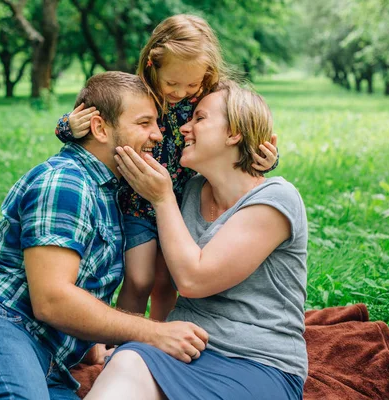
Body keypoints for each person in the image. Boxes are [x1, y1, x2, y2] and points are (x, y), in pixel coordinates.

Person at [0, 71, 209, 400]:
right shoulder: (65, 181)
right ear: (100, 128)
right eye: (144, 123)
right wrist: (155, 333)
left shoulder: (112, 194)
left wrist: (85, 343)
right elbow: (52, 300)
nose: (158, 136)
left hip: (48, 361)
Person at [86, 81, 308, 400]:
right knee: (126, 363)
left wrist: (162, 199)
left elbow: (193, 279)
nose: (185, 128)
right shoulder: (191, 191)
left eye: (200, 118)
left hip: (257, 363)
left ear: (234, 133)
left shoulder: (276, 198)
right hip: (180, 349)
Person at [56, 14, 279, 320]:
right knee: (139, 278)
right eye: (172, 82)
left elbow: (244, 127)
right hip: (138, 201)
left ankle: (163, 335)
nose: (180, 92)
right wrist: (67, 125)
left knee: (166, 281)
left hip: (184, 203)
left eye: (192, 83)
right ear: (152, 64)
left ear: (207, 74)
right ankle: (119, 341)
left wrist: (265, 157)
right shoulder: (136, 94)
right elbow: (95, 119)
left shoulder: (212, 97)